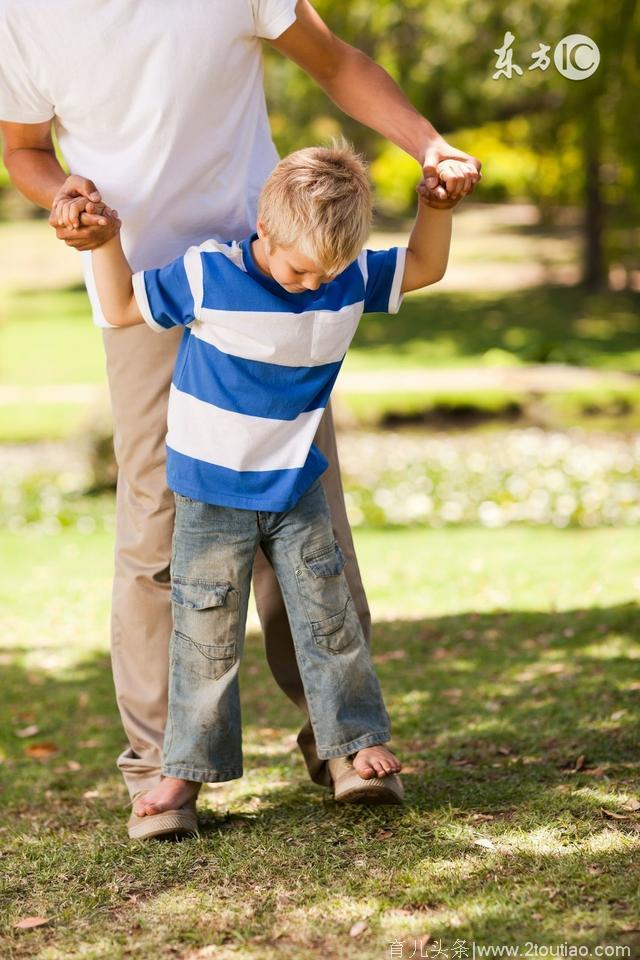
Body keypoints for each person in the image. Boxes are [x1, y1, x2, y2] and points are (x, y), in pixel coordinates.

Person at [0, 0, 480, 839]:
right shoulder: (21, 16)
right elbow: (23, 151)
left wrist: (428, 146)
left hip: (283, 267)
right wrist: (66, 199)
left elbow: (335, 62)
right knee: (159, 531)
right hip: (146, 281)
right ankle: (163, 769)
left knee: (307, 520)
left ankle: (339, 744)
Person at [87, 141, 461, 837]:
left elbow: (426, 265)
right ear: (264, 230)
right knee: (205, 635)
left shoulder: (342, 277)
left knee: (329, 616)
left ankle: (354, 744)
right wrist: (107, 240)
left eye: (328, 273)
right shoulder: (208, 274)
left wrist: (433, 207)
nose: (310, 283)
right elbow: (116, 305)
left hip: (295, 490)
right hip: (210, 495)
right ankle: (182, 773)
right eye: (298, 267)